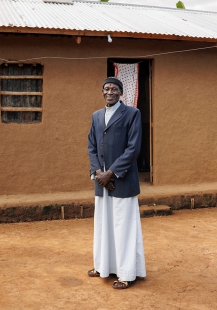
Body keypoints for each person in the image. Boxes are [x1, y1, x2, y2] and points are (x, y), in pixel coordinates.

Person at [87, 77, 146, 289]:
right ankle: (103, 266)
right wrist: (98, 172)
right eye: (106, 88)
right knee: (103, 224)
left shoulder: (132, 113)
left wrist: (110, 173)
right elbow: (91, 146)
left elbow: (133, 148)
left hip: (121, 179)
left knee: (123, 226)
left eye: (114, 89)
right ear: (102, 92)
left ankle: (126, 273)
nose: (109, 92)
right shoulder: (96, 116)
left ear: (121, 93)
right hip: (101, 180)